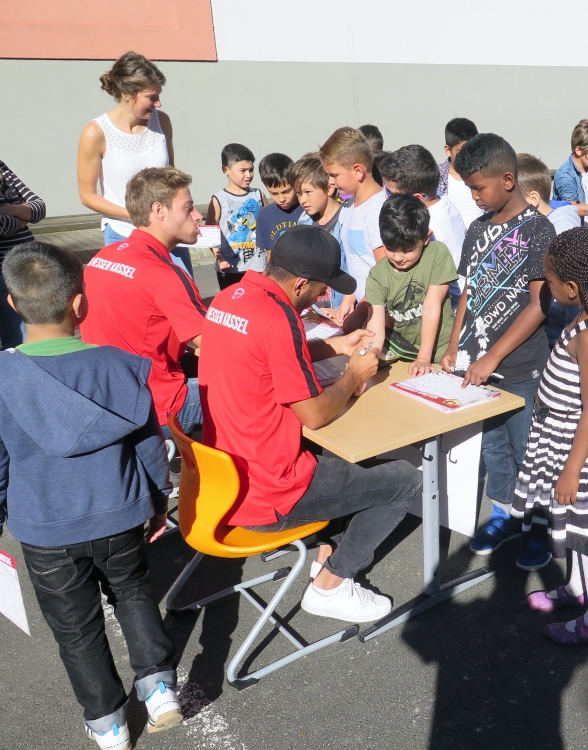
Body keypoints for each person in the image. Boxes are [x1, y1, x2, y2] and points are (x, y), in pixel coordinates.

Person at [0, 243, 180, 749]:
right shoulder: (121, 366)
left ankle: (108, 724)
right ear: (79, 304)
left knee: (75, 628)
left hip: (45, 528)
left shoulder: (4, 377)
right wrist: (157, 500)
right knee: (133, 592)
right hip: (120, 512)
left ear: (12, 303)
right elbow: (150, 445)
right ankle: (158, 686)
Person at [199, 224, 420, 622]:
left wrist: (335, 345)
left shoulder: (230, 297)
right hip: (269, 493)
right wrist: (353, 375)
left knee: (345, 463)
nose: (322, 297)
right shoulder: (278, 318)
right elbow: (315, 416)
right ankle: (331, 585)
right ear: (301, 283)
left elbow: (268, 353)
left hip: (226, 480)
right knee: (404, 479)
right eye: (321, 289)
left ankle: (327, 553)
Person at [513, 228, 588, 645]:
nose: (546, 287)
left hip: (585, 450)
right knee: (577, 528)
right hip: (565, 438)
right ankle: (576, 588)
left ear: (571, 286)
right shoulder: (583, 320)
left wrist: (571, 471)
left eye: (549, 280)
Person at [441, 134, 556, 570]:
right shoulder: (477, 229)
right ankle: (503, 513)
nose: (474, 197)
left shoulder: (538, 230)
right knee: (492, 445)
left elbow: (539, 304)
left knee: (528, 447)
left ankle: (539, 526)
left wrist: (493, 357)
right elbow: (469, 292)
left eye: (479, 188)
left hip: (522, 367)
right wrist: (455, 345)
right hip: (476, 365)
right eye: (469, 188)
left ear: (507, 180)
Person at [80, 167, 206, 435]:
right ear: (159, 210)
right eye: (188, 208)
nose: (198, 215)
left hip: (108, 399)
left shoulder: (102, 257)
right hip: (156, 407)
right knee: (256, 393)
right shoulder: (165, 274)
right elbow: (215, 345)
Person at [77, 51, 192, 276]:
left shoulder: (162, 122)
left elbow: (171, 179)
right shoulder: (95, 133)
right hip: (122, 233)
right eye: (151, 97)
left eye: (158, 95)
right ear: (127, 94)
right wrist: (134, 216)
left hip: (168, 232)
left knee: (182, 292)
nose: (158, 103)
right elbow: (87, 196)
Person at [364, 194, 457, 372]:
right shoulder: (376, 276)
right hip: (403, 354)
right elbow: (375, 325)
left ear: (426, 238)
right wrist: (369, 356)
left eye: (407, 250)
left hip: (440, 354)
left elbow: (431, 306)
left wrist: (423, 358)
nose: (398, 257)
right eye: (391, 248)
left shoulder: (437, 253)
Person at [379, 144, 467, 306]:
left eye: (391, 193)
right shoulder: (440, 199)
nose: (385, 196)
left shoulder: (426, 226)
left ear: (417, 198)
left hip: (447, 308)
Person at [321, 127, 387, 325]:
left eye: (334, 175)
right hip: (364, 309)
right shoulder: (350, 206)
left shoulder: (377, 210)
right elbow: (357, 261)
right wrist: (349, 299)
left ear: (358, 171)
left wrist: (359, 314)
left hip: (378, 315)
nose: (331, 182)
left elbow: (384, 274)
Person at [516, 153, 582, 346]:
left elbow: (570, 292)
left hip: (557, 333)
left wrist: (562, 338)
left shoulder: (559, 232)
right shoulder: (537, 226)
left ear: (532, 199)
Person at [206, 143, 267, 290]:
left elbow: (268, 226)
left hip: (259, 268)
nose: (249, 175)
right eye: (243, 170)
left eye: (251, 170)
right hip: (231, 270)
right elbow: (210, 233)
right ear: (226, 170)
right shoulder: (218, 199)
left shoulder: (258, 195)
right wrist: (220, 258)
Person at [0, 159, 46, 348]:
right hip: (4, 271)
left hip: (25, 266)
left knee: (34, 335)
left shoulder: (1, 167)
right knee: (20, 339)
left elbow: (39, 207)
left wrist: (11, 209)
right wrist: (22, 219)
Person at [291, 153, 347, 310]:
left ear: (329, 188)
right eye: (298, 193)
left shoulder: (347, 222)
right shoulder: (304, 220)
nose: (302, 200)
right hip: (312, 308)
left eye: (308, 192)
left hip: (340, 309)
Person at [255, 152, 305, 257]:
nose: (281, 199)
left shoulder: (309, 208)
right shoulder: (264, 215)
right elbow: (269, 254)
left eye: (286, 191)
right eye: (274, 193)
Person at [436, 117, 483, 227]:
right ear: (448, 150)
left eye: (471, 150)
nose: (467, 156)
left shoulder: (485, 174)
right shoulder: (436, 177)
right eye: (460, 151)